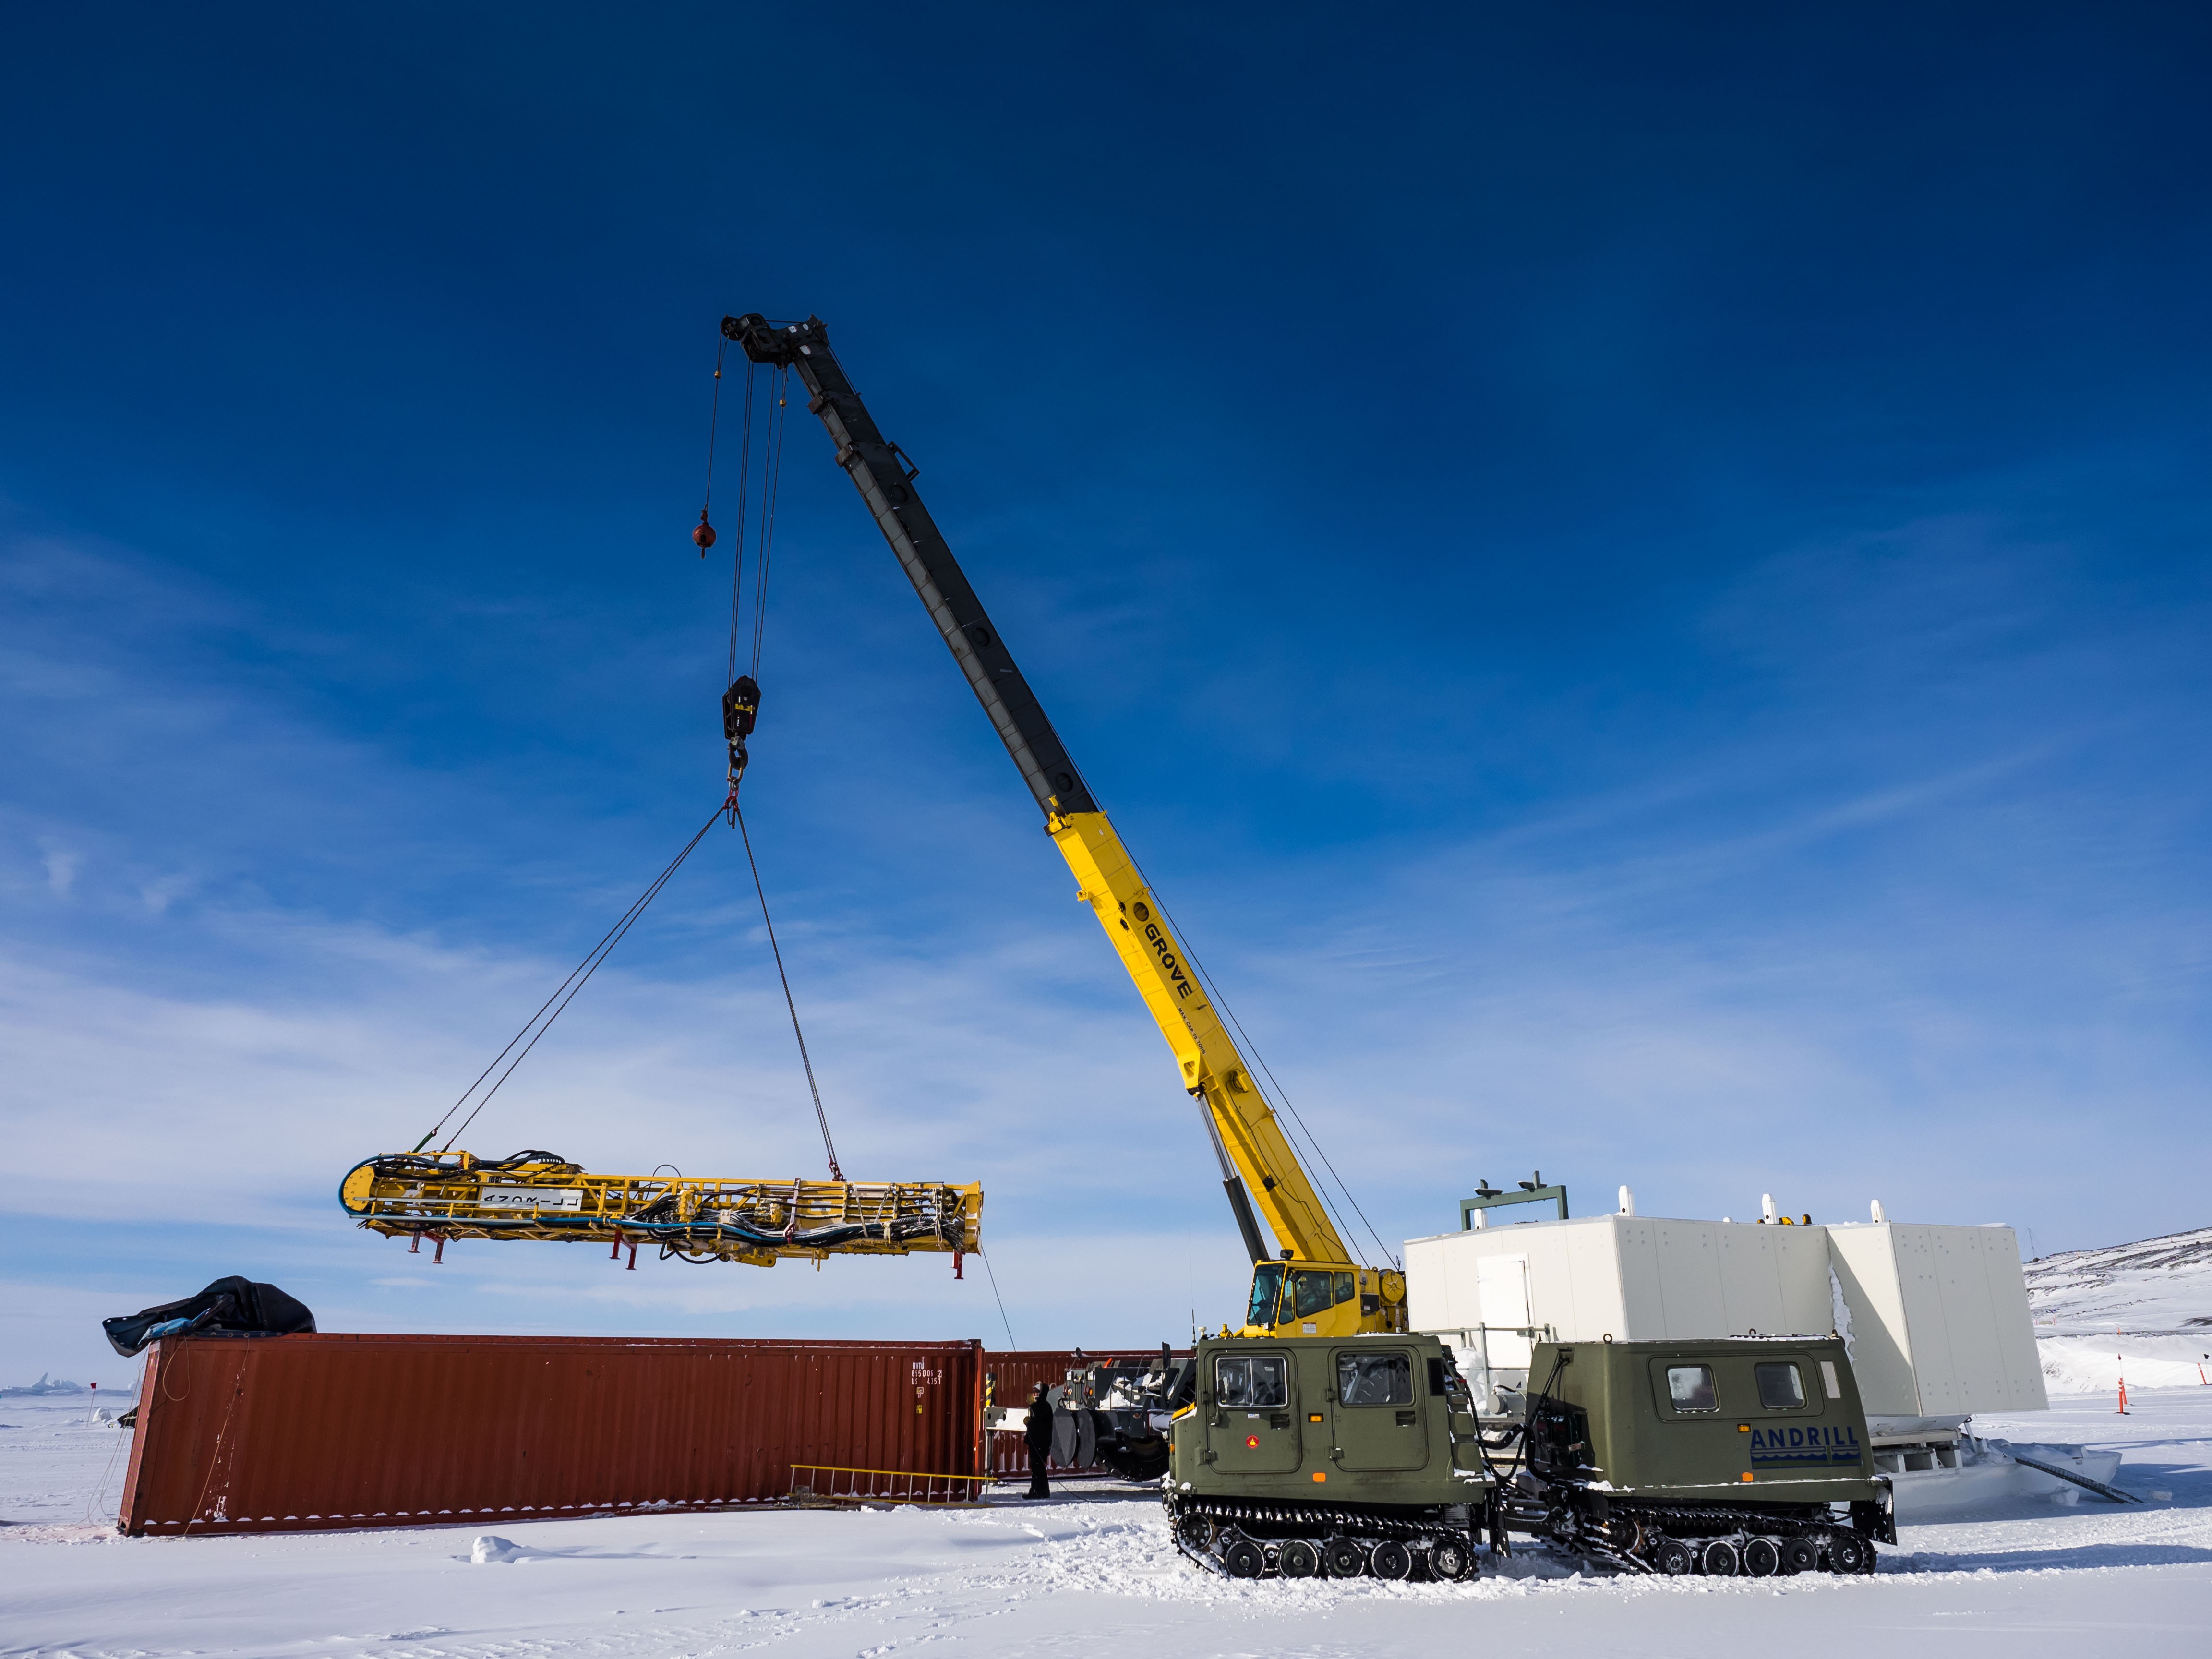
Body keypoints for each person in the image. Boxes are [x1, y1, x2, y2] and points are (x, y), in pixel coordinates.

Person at [1024, 1383, 1054, 1498]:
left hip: (1042, 1443)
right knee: (1036, 1466)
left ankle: (1041, 1491)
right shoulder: (1037, 1406)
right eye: (1034, 1391)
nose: (1035, 1393)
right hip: (1035, 1442)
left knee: (1039, 1467)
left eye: (1037, 1391)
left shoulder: (1045, 1406)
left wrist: (1033, 1405)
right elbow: (1037, 1422)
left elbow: (1040, 1416)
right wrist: (1028, 1423)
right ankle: (1037, 1490)